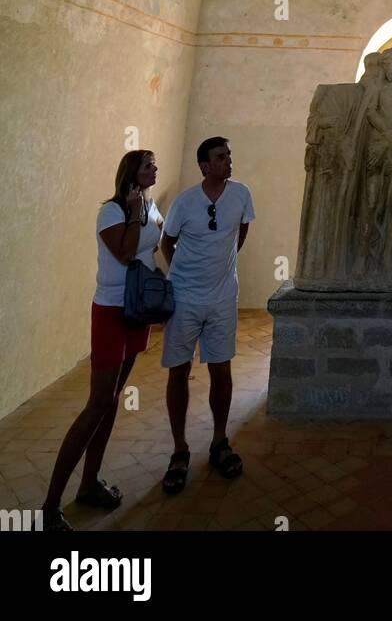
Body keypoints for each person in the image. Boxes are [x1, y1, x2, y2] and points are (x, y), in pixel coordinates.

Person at [40, 149, 164, 531]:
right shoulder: (110, 212)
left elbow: (152, 246)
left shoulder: (150, 206)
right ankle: (49, 506)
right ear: (131, 172)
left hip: (136, 309)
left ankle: (89, 484)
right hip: (111, 310)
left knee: (111, 403)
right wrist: (130, 213)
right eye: (148, 165)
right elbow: (126, 253)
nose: (154, 169)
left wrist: (142, 214)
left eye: (154, 164)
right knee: (97, 404)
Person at [159, 137, 254, 494]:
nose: (228, 161)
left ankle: (219, 442)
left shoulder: (242, 194)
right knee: (179, 370)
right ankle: (179, 450)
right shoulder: (185, 202)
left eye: (229, 155)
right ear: (204, 165)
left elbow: (241, 231)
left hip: (223, 297)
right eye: (220, 157)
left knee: (221, 368)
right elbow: (167, 243)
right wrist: (182, 278)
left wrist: (221, 269)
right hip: (183, 298)